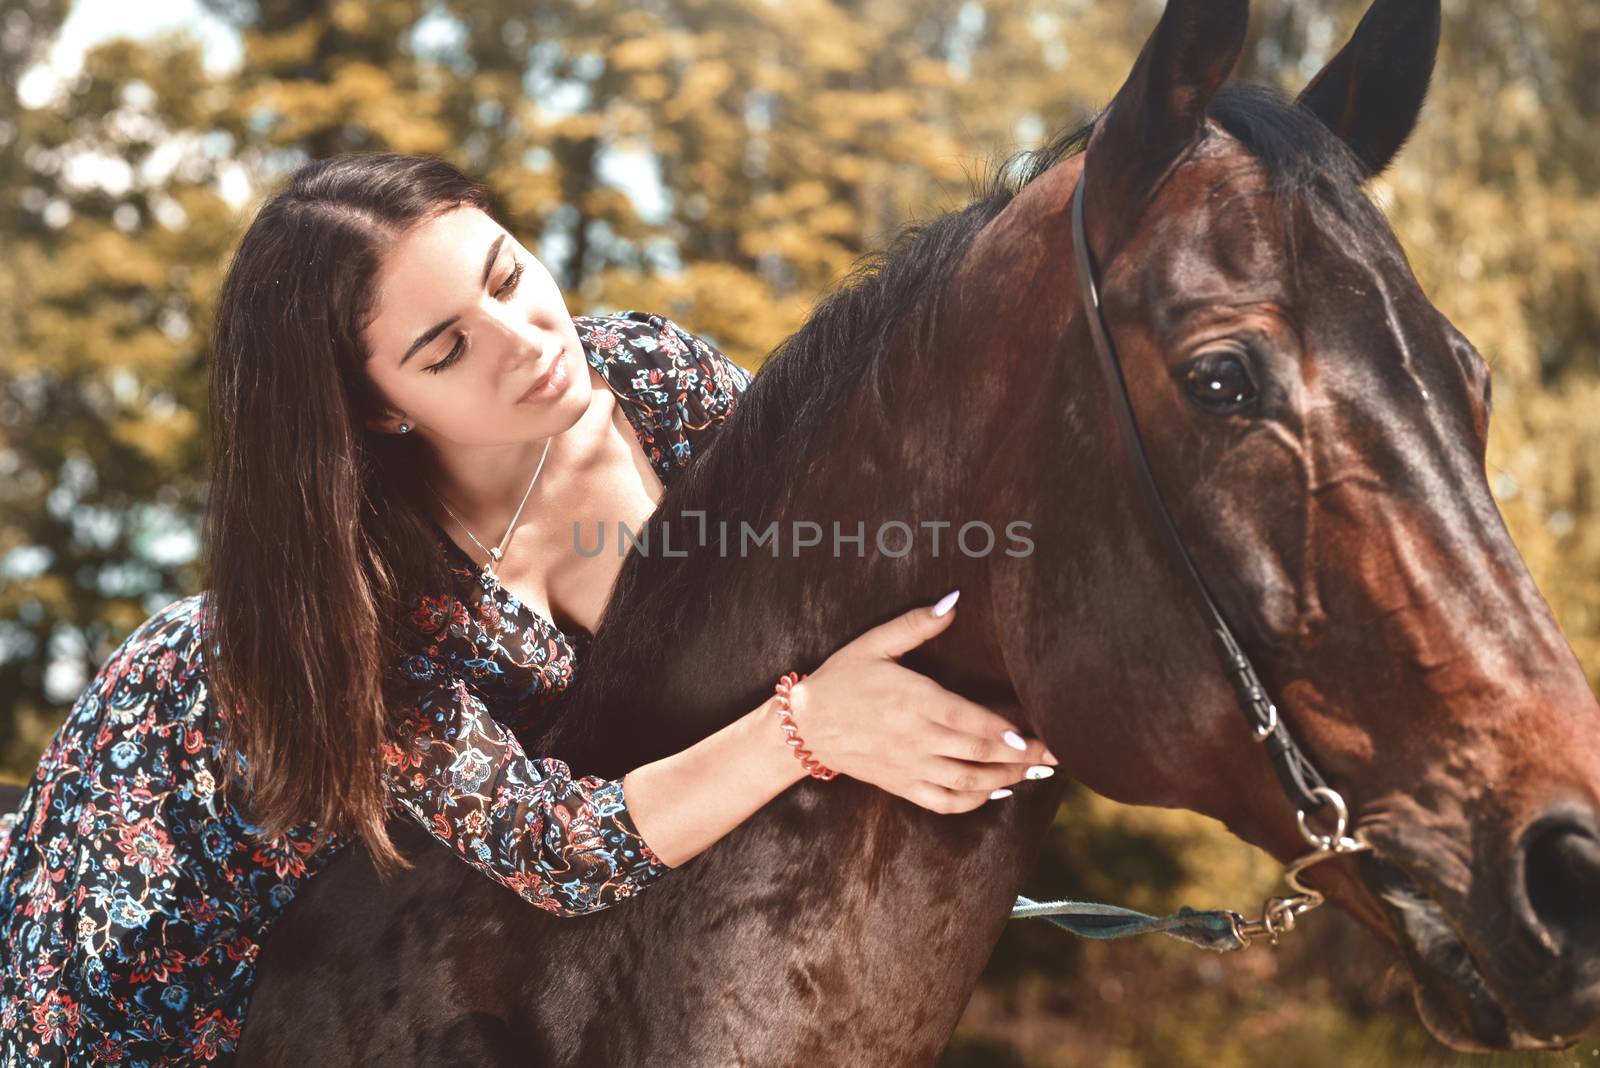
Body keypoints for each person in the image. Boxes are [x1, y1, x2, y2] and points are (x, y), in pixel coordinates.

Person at [0, 152, 1058, 1064]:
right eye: (446, 349)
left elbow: (809, 580)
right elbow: (558, 846)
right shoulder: (369, 601)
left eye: (508, 275)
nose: (526, 340)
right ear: (378, 408)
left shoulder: (651, 378)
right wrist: (811, 727)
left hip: (413, 899)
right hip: (181, 845)